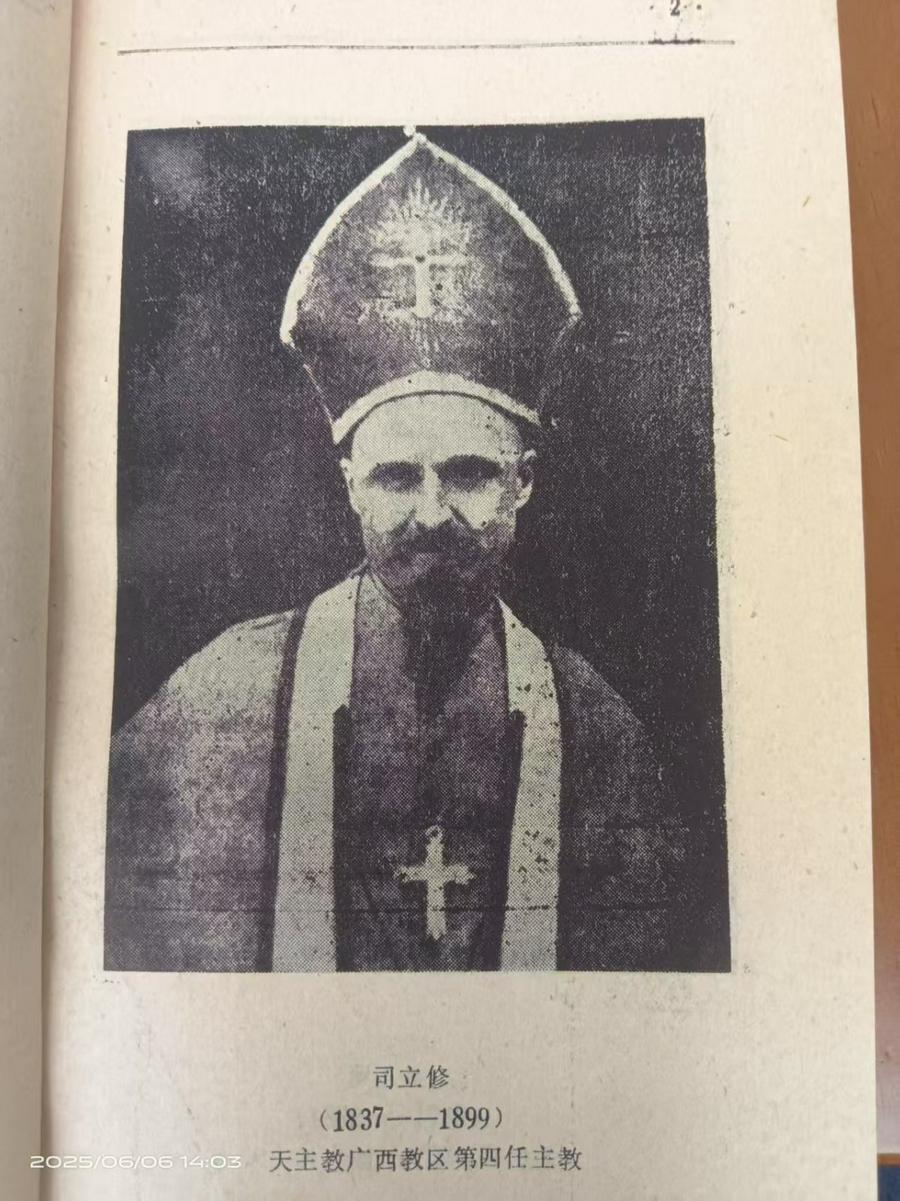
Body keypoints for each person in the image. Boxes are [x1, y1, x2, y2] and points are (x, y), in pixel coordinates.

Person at [105, 132, 688, 972]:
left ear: (524, 481)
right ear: (349, 483)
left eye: (470, 473)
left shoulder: (600, 733)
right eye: (396, 477)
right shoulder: (218, 701)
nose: (432, 514)